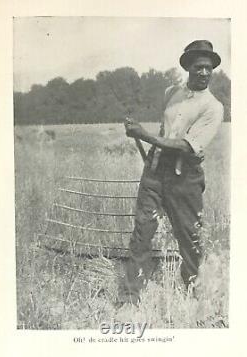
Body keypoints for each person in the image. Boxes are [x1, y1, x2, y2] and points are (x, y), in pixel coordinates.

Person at [118, 40, 224, 307]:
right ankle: (130, 298)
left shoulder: (213, 107)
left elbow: (186, 146)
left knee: (190, 238)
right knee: (142, 233)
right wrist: (146, 137)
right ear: (188, 67)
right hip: (154, 173)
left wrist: (143, 135)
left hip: (185, 178)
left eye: (208, 68)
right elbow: (167, 131)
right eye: (199, 67)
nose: (204, 73)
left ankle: (191, 292)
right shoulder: (170, 92)